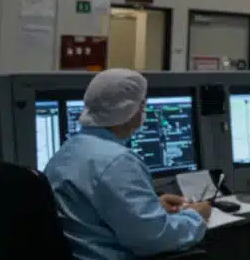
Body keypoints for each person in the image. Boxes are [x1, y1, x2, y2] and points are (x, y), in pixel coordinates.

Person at [45, 69, 210, 260]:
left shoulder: (69, 149)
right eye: (142, 104)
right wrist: (197, 217)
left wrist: (153, 206)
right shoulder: (117, 161)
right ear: (134, 110)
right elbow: (153, 239)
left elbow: (93, 210)